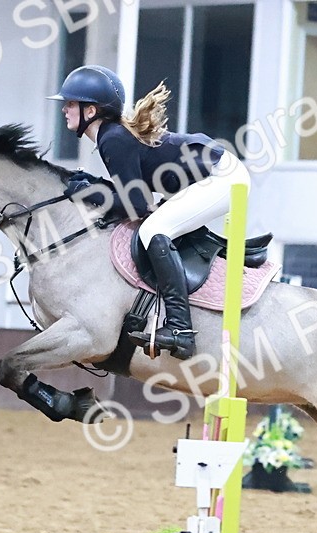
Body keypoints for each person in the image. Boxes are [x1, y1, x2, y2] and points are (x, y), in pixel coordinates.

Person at [49, 65, 250, 360]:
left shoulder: (111, 138)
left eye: (70, 103)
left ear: (90, 111)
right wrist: (93, 185)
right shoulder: (111, 136)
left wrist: (88, 192)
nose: (65, 109)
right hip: (215, 171)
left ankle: (181, 330)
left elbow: (137, 204)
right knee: (157, 224)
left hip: (223, 177)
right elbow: (133, 193)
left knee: (153, 230)